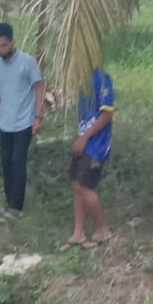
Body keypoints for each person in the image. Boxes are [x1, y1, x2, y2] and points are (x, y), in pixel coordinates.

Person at [0, 23, 44, 219]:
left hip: (24, 122)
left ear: (12, 42)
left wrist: (38, 117)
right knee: (7, 163)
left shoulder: (27, 62)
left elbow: (39, 88)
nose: (0, 50)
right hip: (5, 123)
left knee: (18, 162)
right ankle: (9, 203)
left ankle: (17, 208)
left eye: (4, 45)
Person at [60, 68, 114, 251]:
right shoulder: (81, 79)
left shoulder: (102, 79)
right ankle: (78, 233)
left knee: (85, 186)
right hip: (84, 141)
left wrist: (85, 138)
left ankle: (102, 231)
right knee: (77, 185)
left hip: (95, 144)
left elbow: (107, 114)